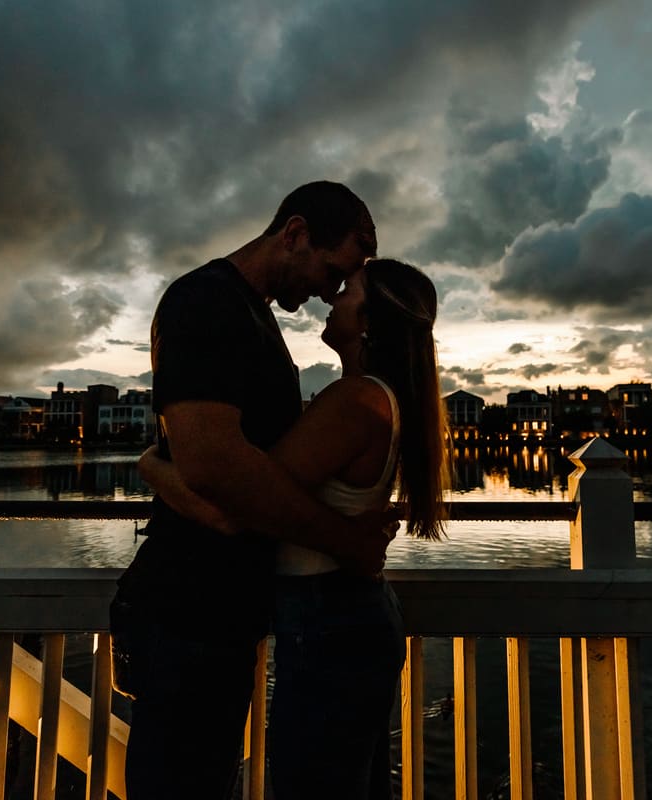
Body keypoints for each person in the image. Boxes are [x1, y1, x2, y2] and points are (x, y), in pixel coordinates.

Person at [114, 181, 398, 800]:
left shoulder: (259, 323)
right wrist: (348, 542)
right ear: (293, 233)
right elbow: (223, 484)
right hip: (184, 618)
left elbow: (255, 470)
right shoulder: (204, 302)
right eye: (332, 270)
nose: (330, 292)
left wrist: (150, 465)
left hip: (225, 623)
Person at [139, 258, 450, 799]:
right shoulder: (376, 397)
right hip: (341, 615)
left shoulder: (353, 400)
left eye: (349, 291)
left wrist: (151, 465)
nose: (334, 298)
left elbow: (236, 502)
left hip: (328, 620)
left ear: (372, 320)